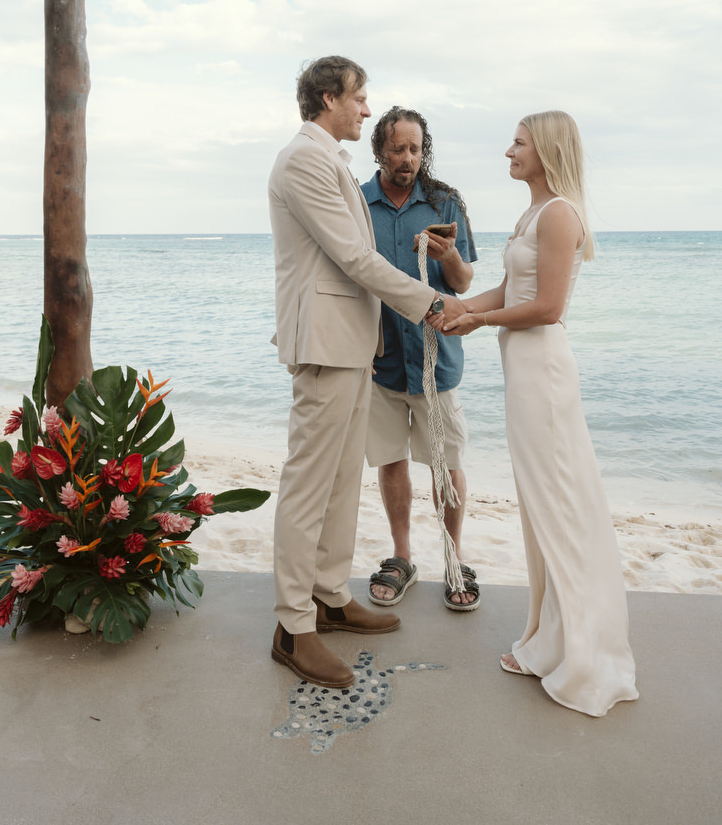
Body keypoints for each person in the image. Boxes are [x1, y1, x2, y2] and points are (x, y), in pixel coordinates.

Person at [268, 57, 463, 689]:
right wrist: (430, 303)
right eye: (359, 97)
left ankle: (329, 596)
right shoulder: (304, 160)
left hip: (354, 345)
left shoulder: (331, 160)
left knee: (341, 482)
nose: (366, 108)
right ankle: (293, 626)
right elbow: (354, 256)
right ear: (328, 98)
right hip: (325, 343)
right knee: (308, 487)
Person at [442, 111, 638, 716]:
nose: (509, 152)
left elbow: (549, 307)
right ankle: (551, 639)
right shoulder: (532, 213)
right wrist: (453, 307)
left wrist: (476, 319)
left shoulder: (558, 215)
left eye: (519, 143)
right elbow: (512, 291)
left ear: (546, 149)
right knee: (541, 506)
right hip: (524, 372)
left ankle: (580, 653)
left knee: (559, 507)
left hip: (545, 375)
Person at [361, 107, 480, 611]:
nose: (407, 158)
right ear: (379, 151)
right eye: (397, 149)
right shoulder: (356, 203)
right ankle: (402, 556)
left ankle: (454, 557)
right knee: (390, 460)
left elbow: (464, 283)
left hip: (437, 361)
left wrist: (446, 255)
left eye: (415, 148)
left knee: (446, 465)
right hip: (380, 361)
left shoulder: (444, 202)